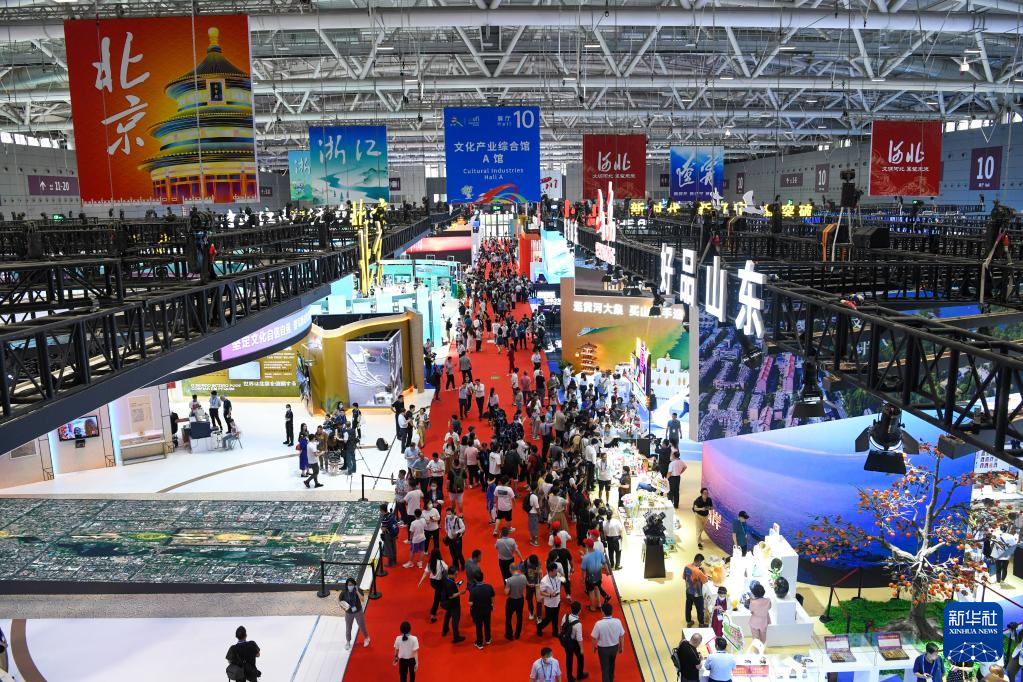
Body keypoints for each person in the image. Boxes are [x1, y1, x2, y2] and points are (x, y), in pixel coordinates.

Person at [590, 602, 625, 682]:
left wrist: (594, 646)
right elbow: (622, 635)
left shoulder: (599, 624)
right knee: (612, 665)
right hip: (614, 648)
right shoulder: (618, 621)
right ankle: (611, 679)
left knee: (605, 668)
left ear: (602, 612)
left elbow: (594, 637)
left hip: (603, 650)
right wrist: (621, 647)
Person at [339, 577, 370, 649]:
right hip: (348, 613)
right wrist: (343, 607)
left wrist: (357, 591)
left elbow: (362, 599)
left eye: (352, 585)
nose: (350, 586)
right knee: (348, 627)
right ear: (347, 585)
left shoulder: (358, 590)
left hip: (358, 611)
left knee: (362, 626)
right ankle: (348, 641)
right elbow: (340, 601)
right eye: (349, 585)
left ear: (354, 585)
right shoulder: (344, 592)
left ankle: (366, 638)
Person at [559, 601, 587, 682]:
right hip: (573, 643)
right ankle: (580, 674)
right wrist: (581, 649)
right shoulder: (578, 624)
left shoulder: (565, 616)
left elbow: (562, 627)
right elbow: (579, 638)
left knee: (569, 659)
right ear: (579, 611)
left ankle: (570, 677)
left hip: (566, 641)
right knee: (580, 657)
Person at [469, 573, 496, 650]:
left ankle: (479, 643)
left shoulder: (473, 590)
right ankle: (488, 639)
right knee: (487, 624)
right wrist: (492, 604)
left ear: (475, 580)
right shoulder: (489, 587)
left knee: (479, 626)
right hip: (487, 609)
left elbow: (471, 603)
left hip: (478, 611)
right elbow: (492, 597)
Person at [538, 561, 565, 637]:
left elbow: (564, 580)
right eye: (555, 570)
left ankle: (555, 632)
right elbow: (540, 592)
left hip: (557, 601)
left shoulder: (558, 575)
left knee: (556, 618)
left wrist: (563, 576)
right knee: (548, 619)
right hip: (549, 604)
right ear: (550, 571)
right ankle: (539, 627)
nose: (557, 572)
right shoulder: (544, 581)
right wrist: (550, 595)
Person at [683, 553, 709, 627]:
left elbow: (684, 577)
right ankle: (701, 623)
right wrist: (704, 572)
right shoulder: (698, 572)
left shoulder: (686, 567)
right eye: (701, 562)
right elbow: (705, 580)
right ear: (699, 561)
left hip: (688, 590)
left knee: (688, 607)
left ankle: (688, 622)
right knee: (700, 609)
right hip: (697, 593)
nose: (701, 564)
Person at [505, 561, 529, 640]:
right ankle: (517, 634)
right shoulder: (523, 577)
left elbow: (506, 592)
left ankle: (509, 634)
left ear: (510, 569)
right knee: (519, 617)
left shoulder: (509, 580)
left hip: (511, 601)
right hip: (520, 600)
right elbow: (526, 584)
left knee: (508, 618)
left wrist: (507, 586)